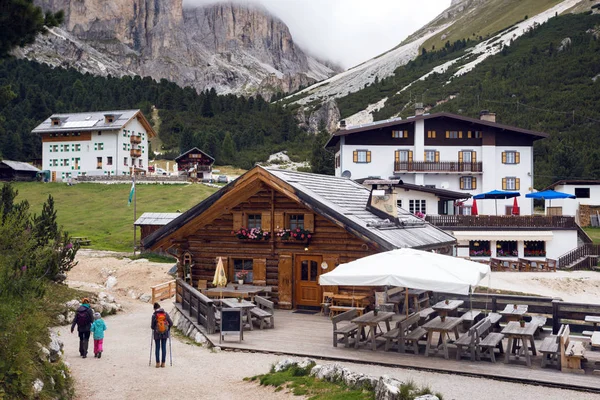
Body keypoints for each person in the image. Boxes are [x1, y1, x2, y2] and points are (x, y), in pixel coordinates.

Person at [151, 302, 173, 368]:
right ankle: (163, 363)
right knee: (163, 347)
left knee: (157, 348)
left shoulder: (154, 315)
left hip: (157, 334)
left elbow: (152, 326)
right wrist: (167, 328)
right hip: (165, 333)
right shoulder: (165, 314)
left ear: (154, 309)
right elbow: (171, 323)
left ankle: (157, 363)